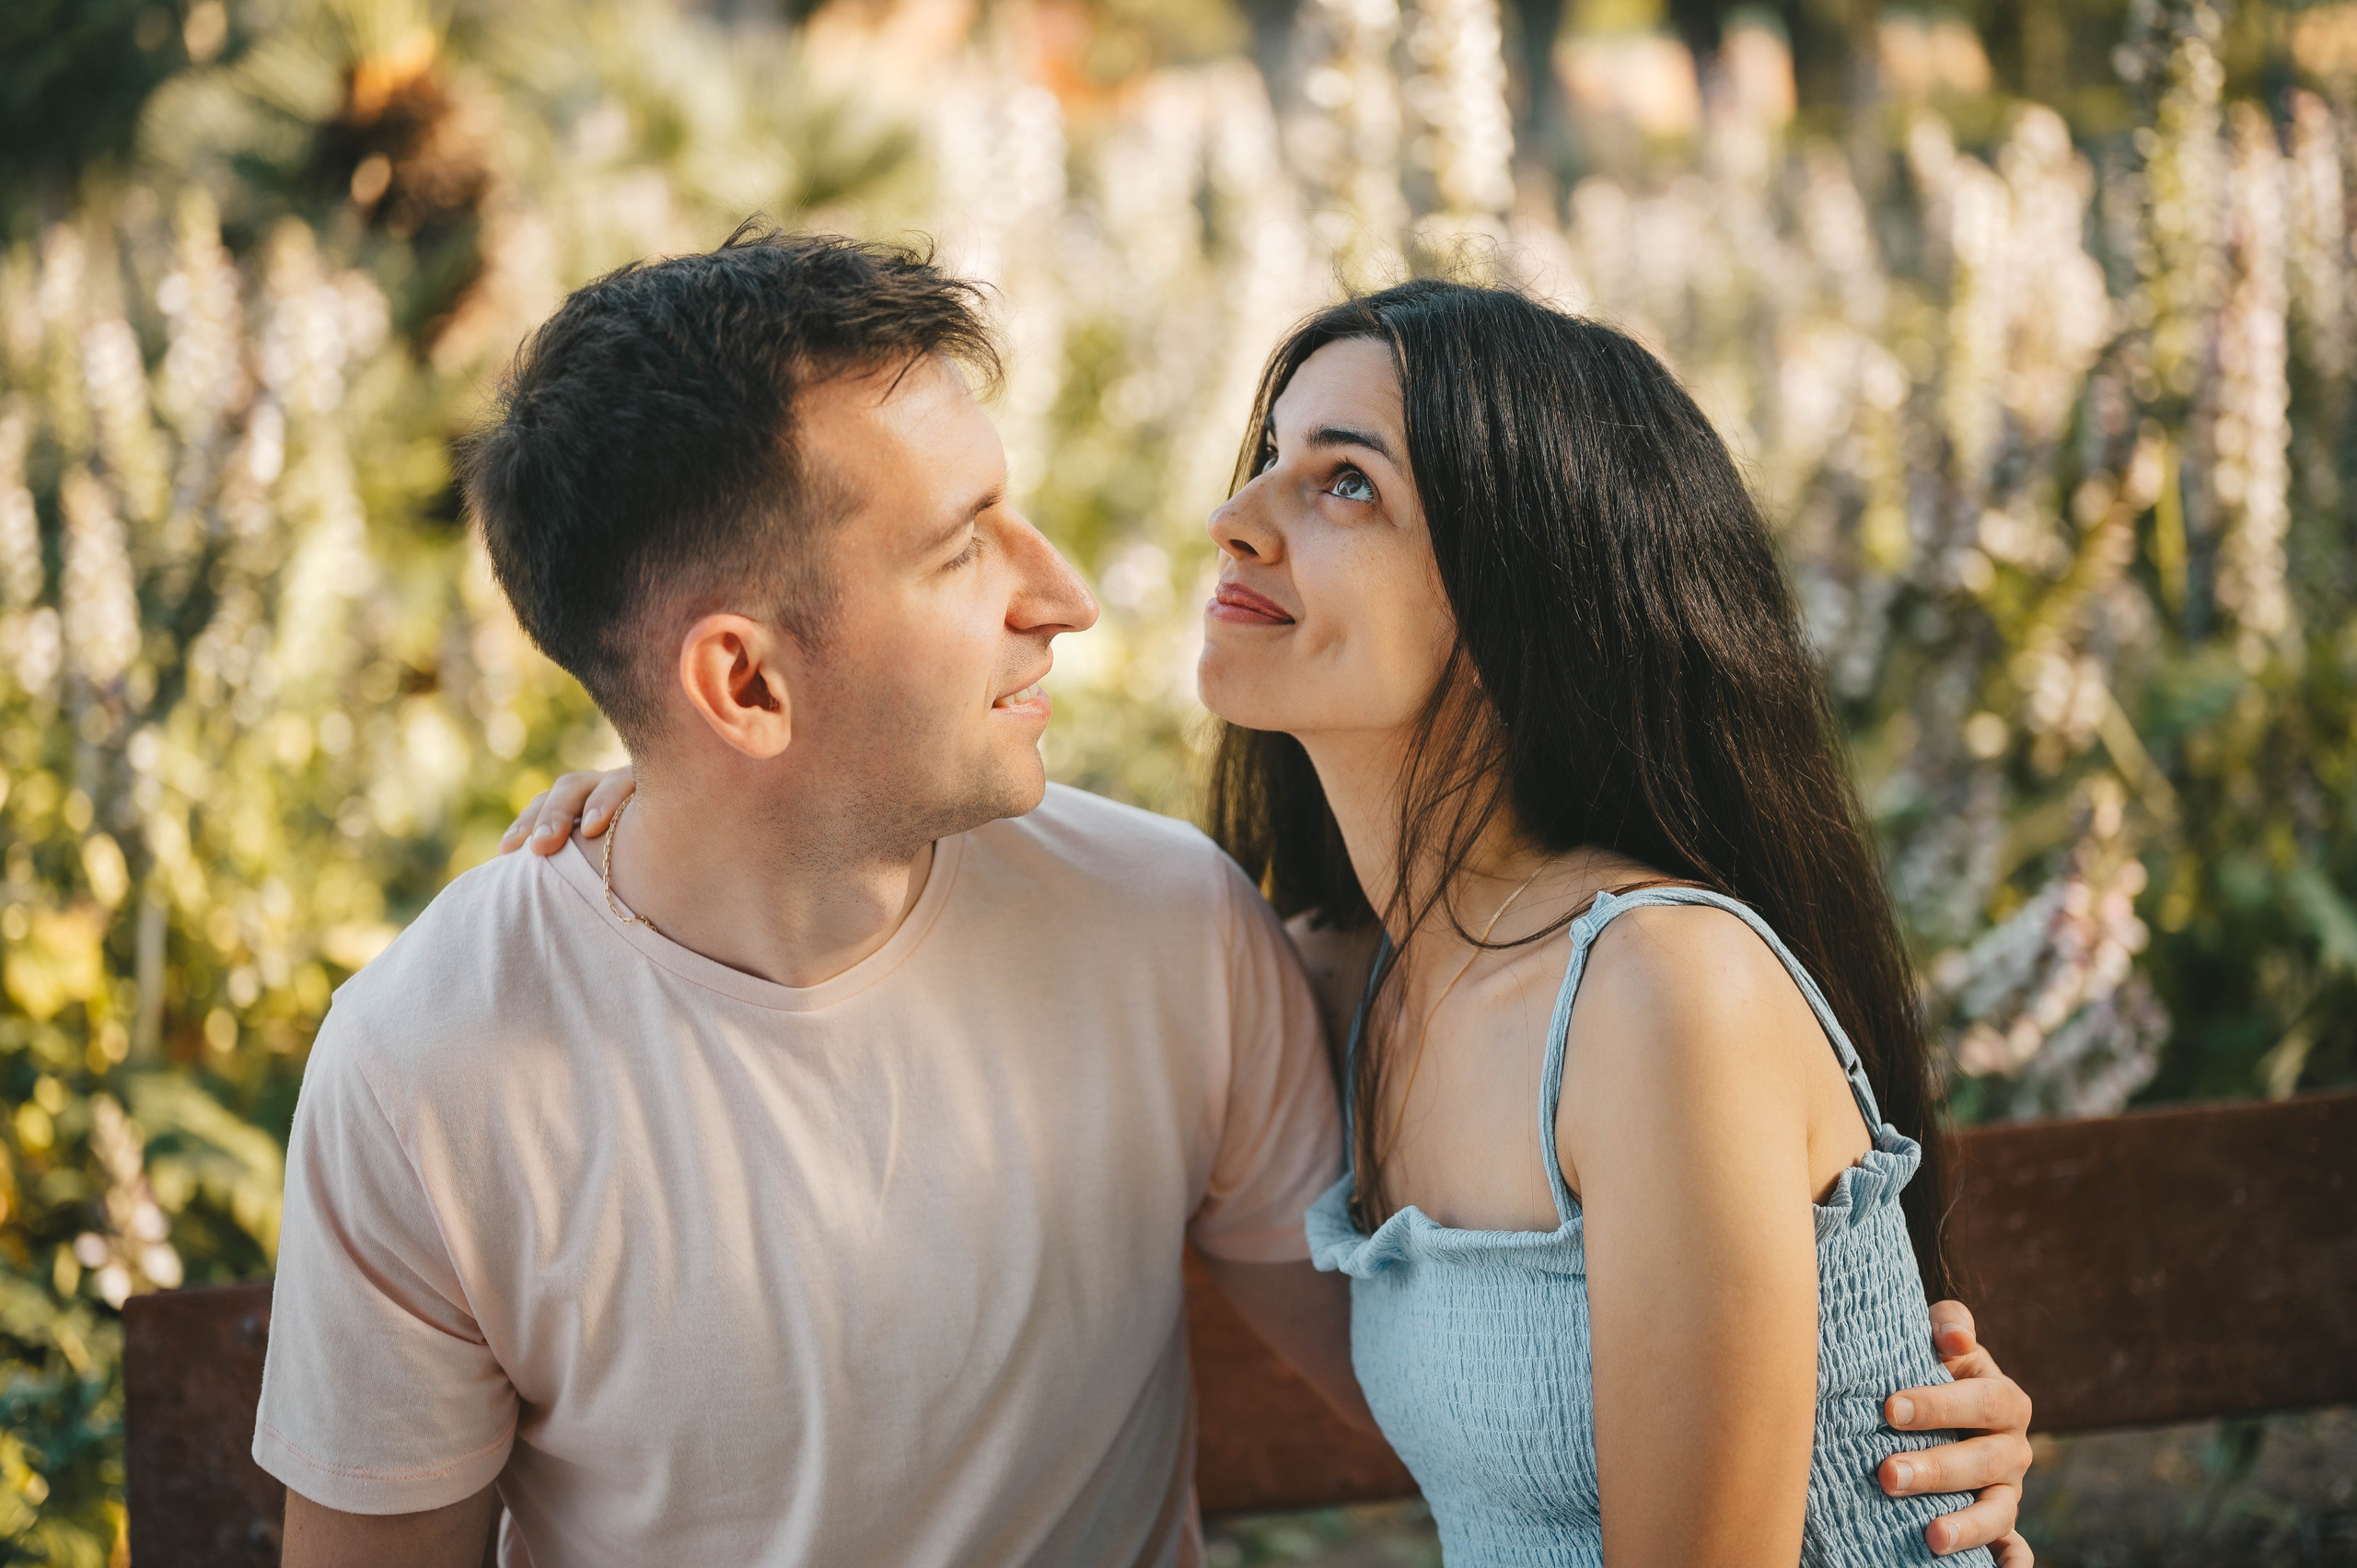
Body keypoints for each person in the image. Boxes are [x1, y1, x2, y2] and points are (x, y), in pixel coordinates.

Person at [320, 228, 2028, 1566]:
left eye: (1342, 480)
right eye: (959, 543)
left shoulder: (1213, 943)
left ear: (1536, 589)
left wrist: (1882, 1433)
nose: (1202, 533)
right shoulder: (1358, 986)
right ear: (740, 693)